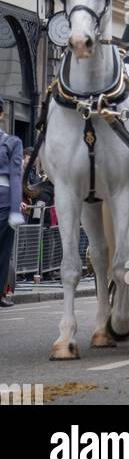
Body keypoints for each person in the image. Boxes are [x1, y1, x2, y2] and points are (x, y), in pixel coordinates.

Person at [0, 98, 24, 308]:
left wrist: (15, 209)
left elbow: (16, 176)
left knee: (3, 251)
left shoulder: (12, 142)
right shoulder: (12, 143)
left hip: (4, 202)